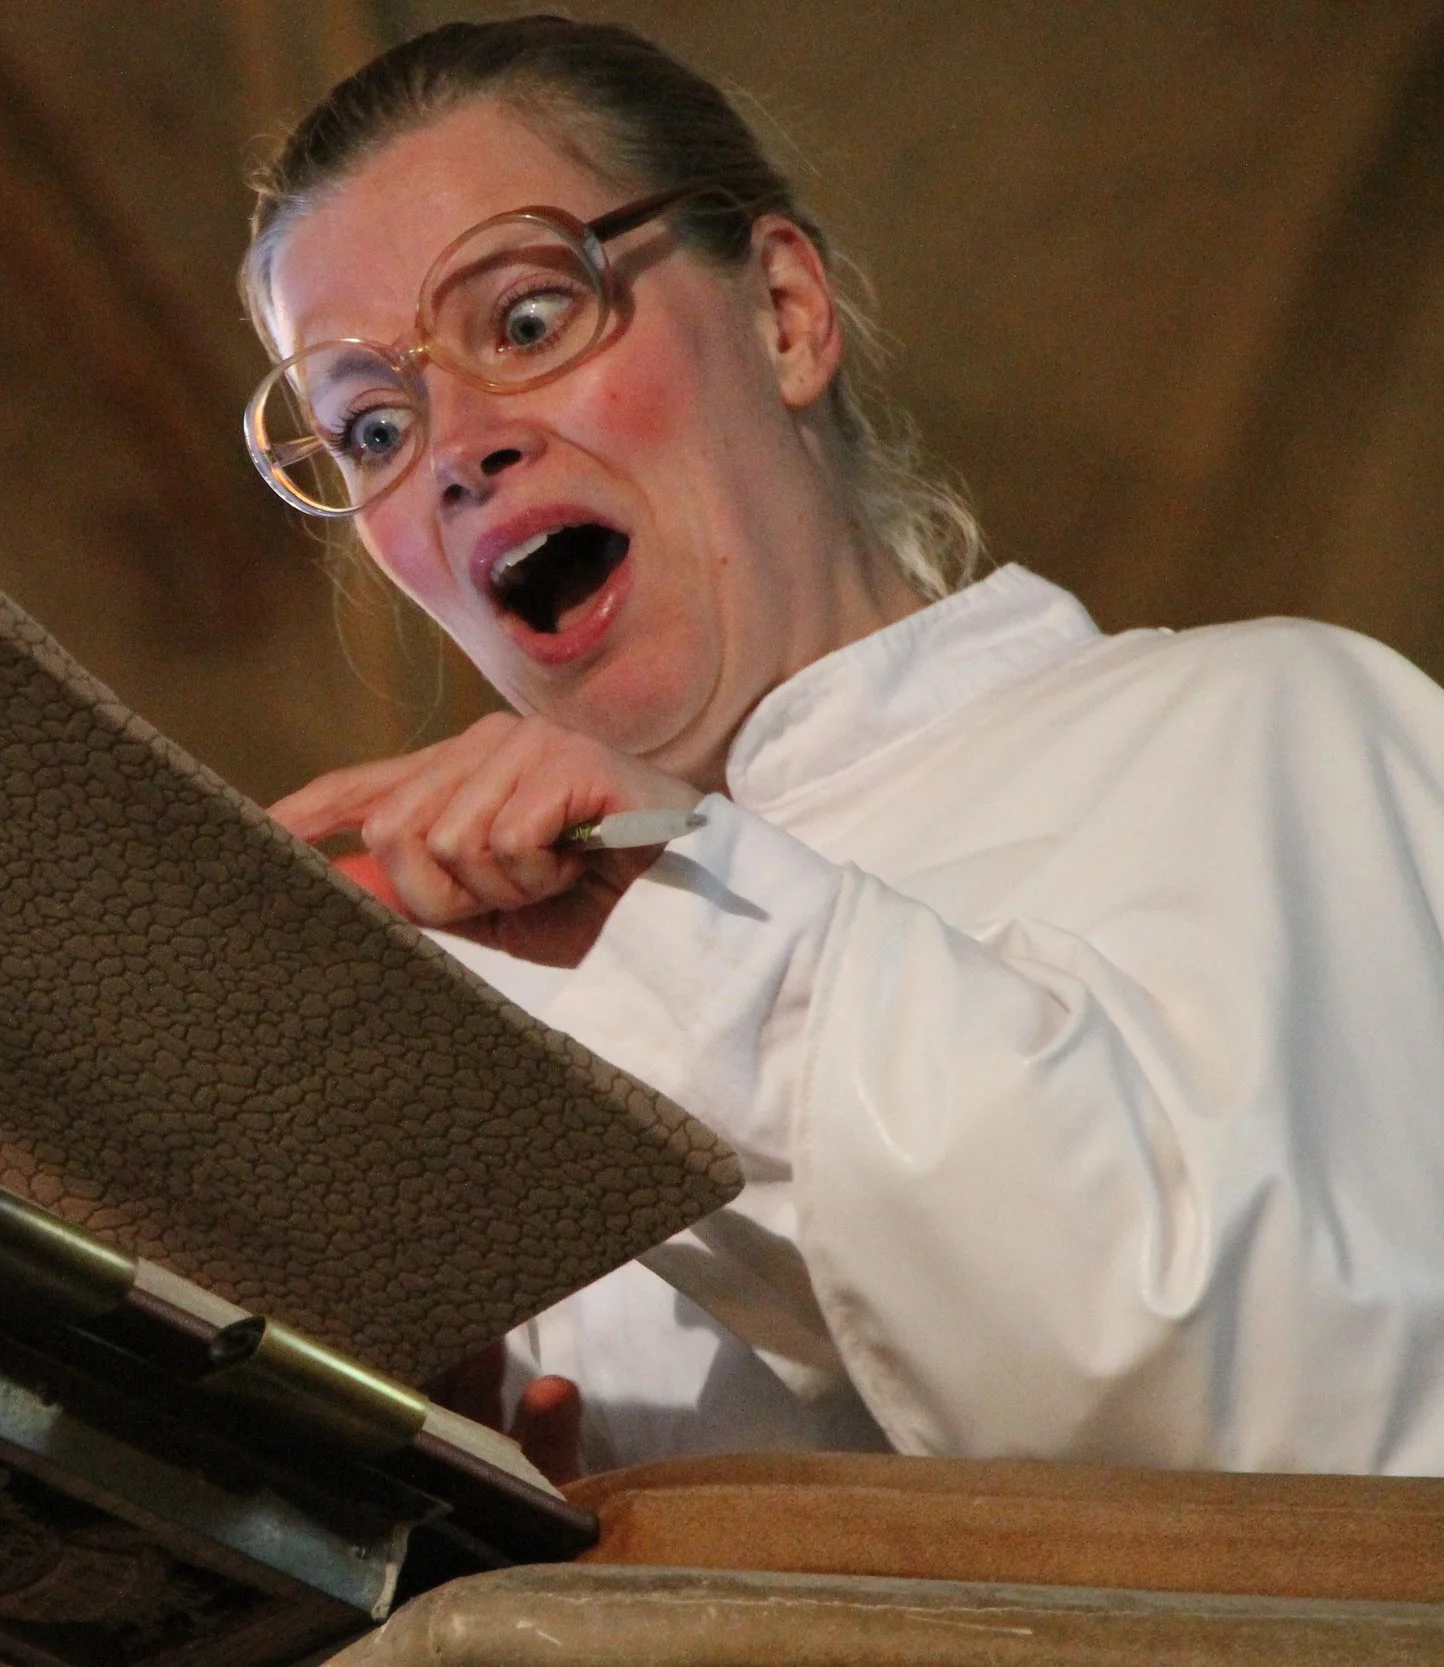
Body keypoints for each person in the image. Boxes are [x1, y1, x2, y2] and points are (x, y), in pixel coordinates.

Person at [243, 15, 1444, 1479]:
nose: (453, 448)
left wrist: (695, 926)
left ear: (788, 315)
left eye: (529, 320)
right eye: (367, 428)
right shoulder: (481, 1028)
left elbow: (1325, 1423)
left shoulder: (1275, 731)